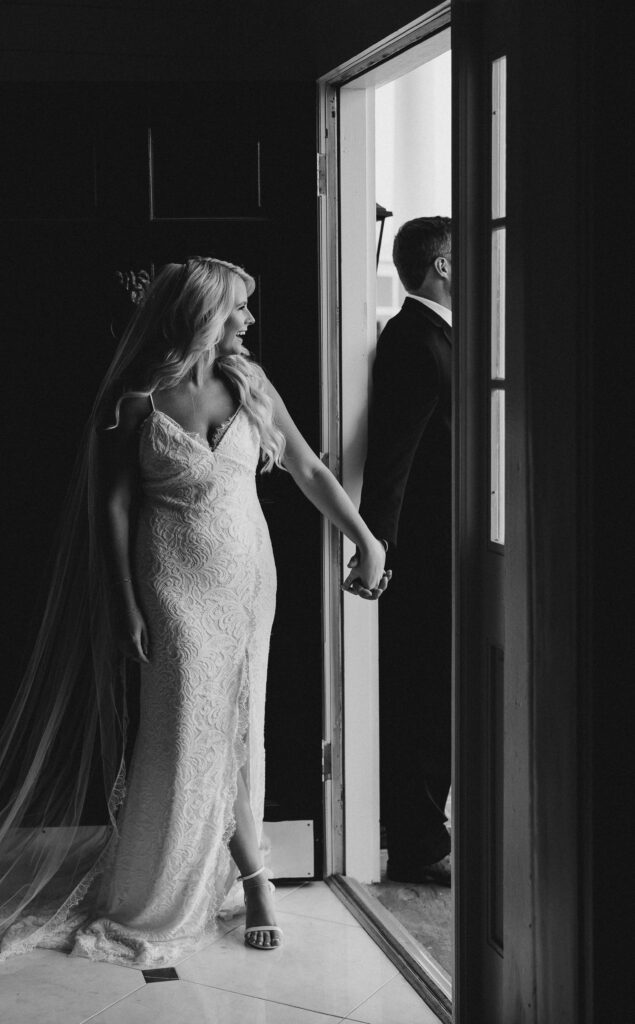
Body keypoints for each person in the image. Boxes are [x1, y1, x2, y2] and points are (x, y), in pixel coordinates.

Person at [0, 257, 388, 971]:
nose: (250, 320)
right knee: (192, 731)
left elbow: (308, 468)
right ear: (202, 314)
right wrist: (124, 604)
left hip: (249, 579)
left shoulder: (248, 385)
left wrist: (366, 540)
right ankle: (249, 879)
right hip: (173, 584)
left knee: (239, 724)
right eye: (240, 308)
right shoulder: (135, 402)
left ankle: (248, 875)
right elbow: (113, 511)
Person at [357, 217, 453, 885]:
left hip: (445, 545)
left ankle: (425, 830)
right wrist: (378, 547)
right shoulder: (414, 340)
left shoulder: (437, 335)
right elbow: (392, 455)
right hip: (420, 553)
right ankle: (417, 841)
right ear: (442, 265)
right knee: (421, 692)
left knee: (436, 690)